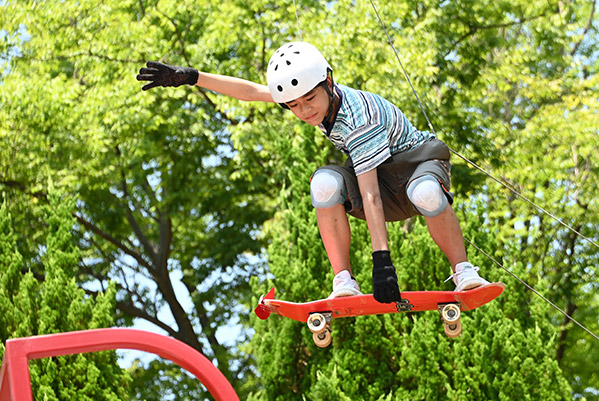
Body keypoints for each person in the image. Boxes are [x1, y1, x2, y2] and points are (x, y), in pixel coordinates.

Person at [137, 41, 489, 303]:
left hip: (417, 167)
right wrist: (191, 77)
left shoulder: (357, 118)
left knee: (424, 194)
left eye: (309, 101)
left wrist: (383, 264)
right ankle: (343, 281)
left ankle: (464, 271)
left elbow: (369, 196)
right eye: (294, 106)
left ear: (329, 83)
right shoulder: (310, 95)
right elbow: (249, 92)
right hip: (381, 180)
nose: (304, 111)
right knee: (323, 185)